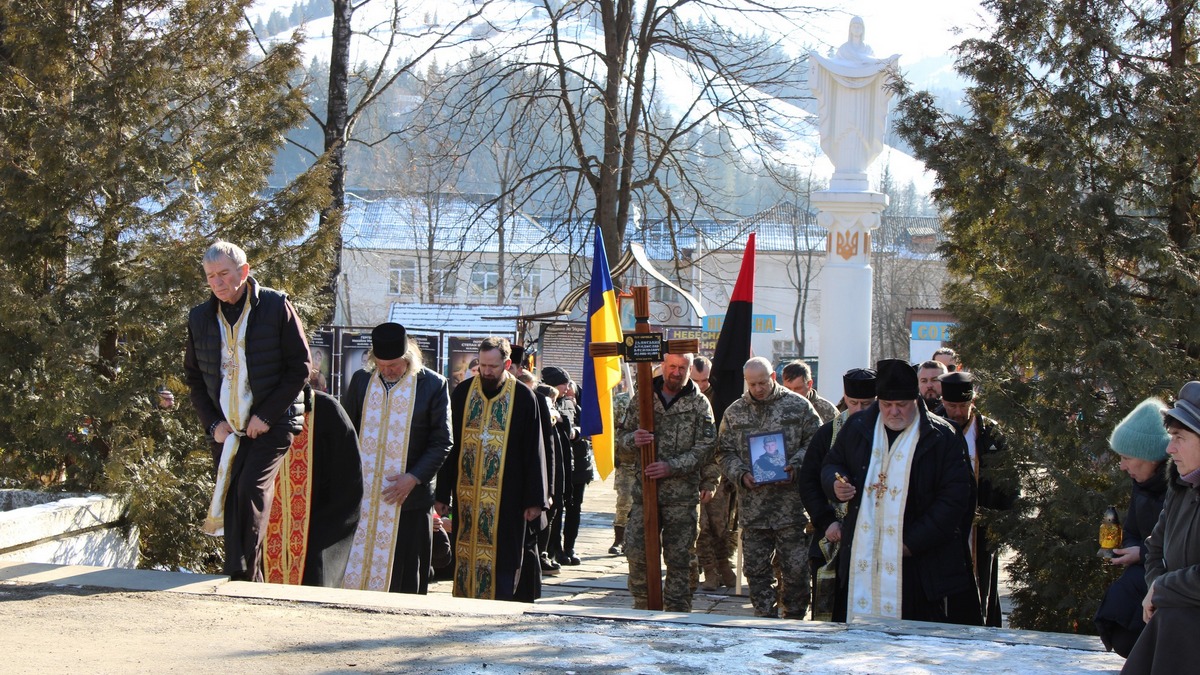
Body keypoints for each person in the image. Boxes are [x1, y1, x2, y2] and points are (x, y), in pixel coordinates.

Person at [184, 241, 311, 582]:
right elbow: (195, 378)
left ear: (244, 271)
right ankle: (245, 578)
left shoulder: (274, 306)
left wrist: (266, 416)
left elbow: (300, 367)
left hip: (273, 423)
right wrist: (213, 424)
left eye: (224, 274)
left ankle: (241, 576)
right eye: (211, 276)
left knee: (249, 489)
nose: (218, 283)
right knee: (230, 493)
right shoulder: (199, 317)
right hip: (226, 428)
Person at [822, 358, 979, 624]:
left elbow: (954, 500)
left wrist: (910, 543)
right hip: (864, 556)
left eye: (901, 405)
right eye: (886, 405)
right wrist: (835, 483)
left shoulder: (942, 436)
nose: (894, 412)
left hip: (920, 564)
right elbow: (831, 464)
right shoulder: (857, 427)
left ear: (915, 401)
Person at [340, 322, 453, 595]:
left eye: (394, 365)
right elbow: (345, 432)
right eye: (381, 365)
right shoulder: (361, 380)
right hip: (363, 500)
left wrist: (412, 478)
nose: (387, 371)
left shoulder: (433, 384)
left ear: (408, 359)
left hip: (409, 500)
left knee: (404, 578)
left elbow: (442, 442)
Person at [435, 337, 549, 602]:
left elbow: (535, 450)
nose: (487, 372)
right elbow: (448, 446)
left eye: (493, 366)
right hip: (466, 499)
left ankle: (499, 608)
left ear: (507, 364)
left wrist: (535, 499)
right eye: (483, 365)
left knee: (504, 559)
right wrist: (442, 494)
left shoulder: (523, 397)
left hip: (508, 498)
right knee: (465, 556)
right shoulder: (463, 393)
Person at [718, 357, 821, 618]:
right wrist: (740, 474)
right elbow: (723, 452)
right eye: (752, 384)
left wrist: (795, 466)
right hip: (754, 509)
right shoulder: (735, 412)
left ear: (773, 377)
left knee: (796, 569)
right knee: (755, 570)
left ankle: (795, 617)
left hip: (791, 508)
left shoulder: (798, 407)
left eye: (763, 382)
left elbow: (817, 444)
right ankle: (764, 616)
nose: (758, 389)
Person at [617, 352, 718, 612]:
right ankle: (643, 604)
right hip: (644, 493)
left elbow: (707, 447)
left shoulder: (699, 404)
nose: (676, 372)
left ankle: (678, 610)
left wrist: (672, 467)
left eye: (682, 367)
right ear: (663, 366)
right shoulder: (642, 398)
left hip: (681, 497)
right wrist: (633, 440)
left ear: (690, 369)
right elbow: (620, 441)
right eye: (672, 366)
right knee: (637, 552)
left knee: (681, 557)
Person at [1121, 382, 1200, 674]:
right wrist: (1155, 584)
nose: (1169, 448)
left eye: (1179, 437)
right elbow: (1155, 546)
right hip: (1176, 626)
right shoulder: (1182, 484)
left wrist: (1162, 589)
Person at [263, 382, 364, 587]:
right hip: (263, 530)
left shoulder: (326, 410)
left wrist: (322, 530)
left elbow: (347, 481)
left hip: (315, 530)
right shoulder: (253, 410)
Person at [1091, 398, 1169, 657]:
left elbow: (1183, 546)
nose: (1122, 466)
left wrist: (1141, 554)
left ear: (1151, 457)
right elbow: (1134, 530)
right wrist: (1131, 549)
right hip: (1146, 572)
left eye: (1126, 457)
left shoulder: (1180, 488)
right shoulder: (1141, 483)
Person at [798, 367, 876, 620]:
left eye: (867, 403)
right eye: (854, 403)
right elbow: (808, 481)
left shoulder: (887, 434)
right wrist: (826, 521)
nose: (860, 410)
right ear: (845, 398)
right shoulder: (828, 433)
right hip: (832, 534)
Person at [939, 371, 1015, 627]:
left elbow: (1008, 481)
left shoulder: (990, 433)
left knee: (980, 580)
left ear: (973, 401)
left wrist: (1001, 517)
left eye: (963, 406)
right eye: (952, 406)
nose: (958, 413)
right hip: (942, 525)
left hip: (980, 527)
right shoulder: (932, 427)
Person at [692, 355, 738, 591]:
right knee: (702, 525)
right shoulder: (687, 397)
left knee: (720, 522)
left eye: (705, 380)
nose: (701, 385)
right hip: (692, 469)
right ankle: (709, 568)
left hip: (719, 468)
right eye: (696, 380)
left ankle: (724, 564)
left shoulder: (721, 397)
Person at [543, 367, 592, 566]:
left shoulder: (573, 402)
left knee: (574, 508)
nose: (568, 387)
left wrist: (576, 432)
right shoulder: (546, 401)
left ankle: (569, 546)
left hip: (578, 462)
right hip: (560, 463)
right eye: (565, 383)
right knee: (556, 508)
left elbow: (586, 427)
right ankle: (555, 549)